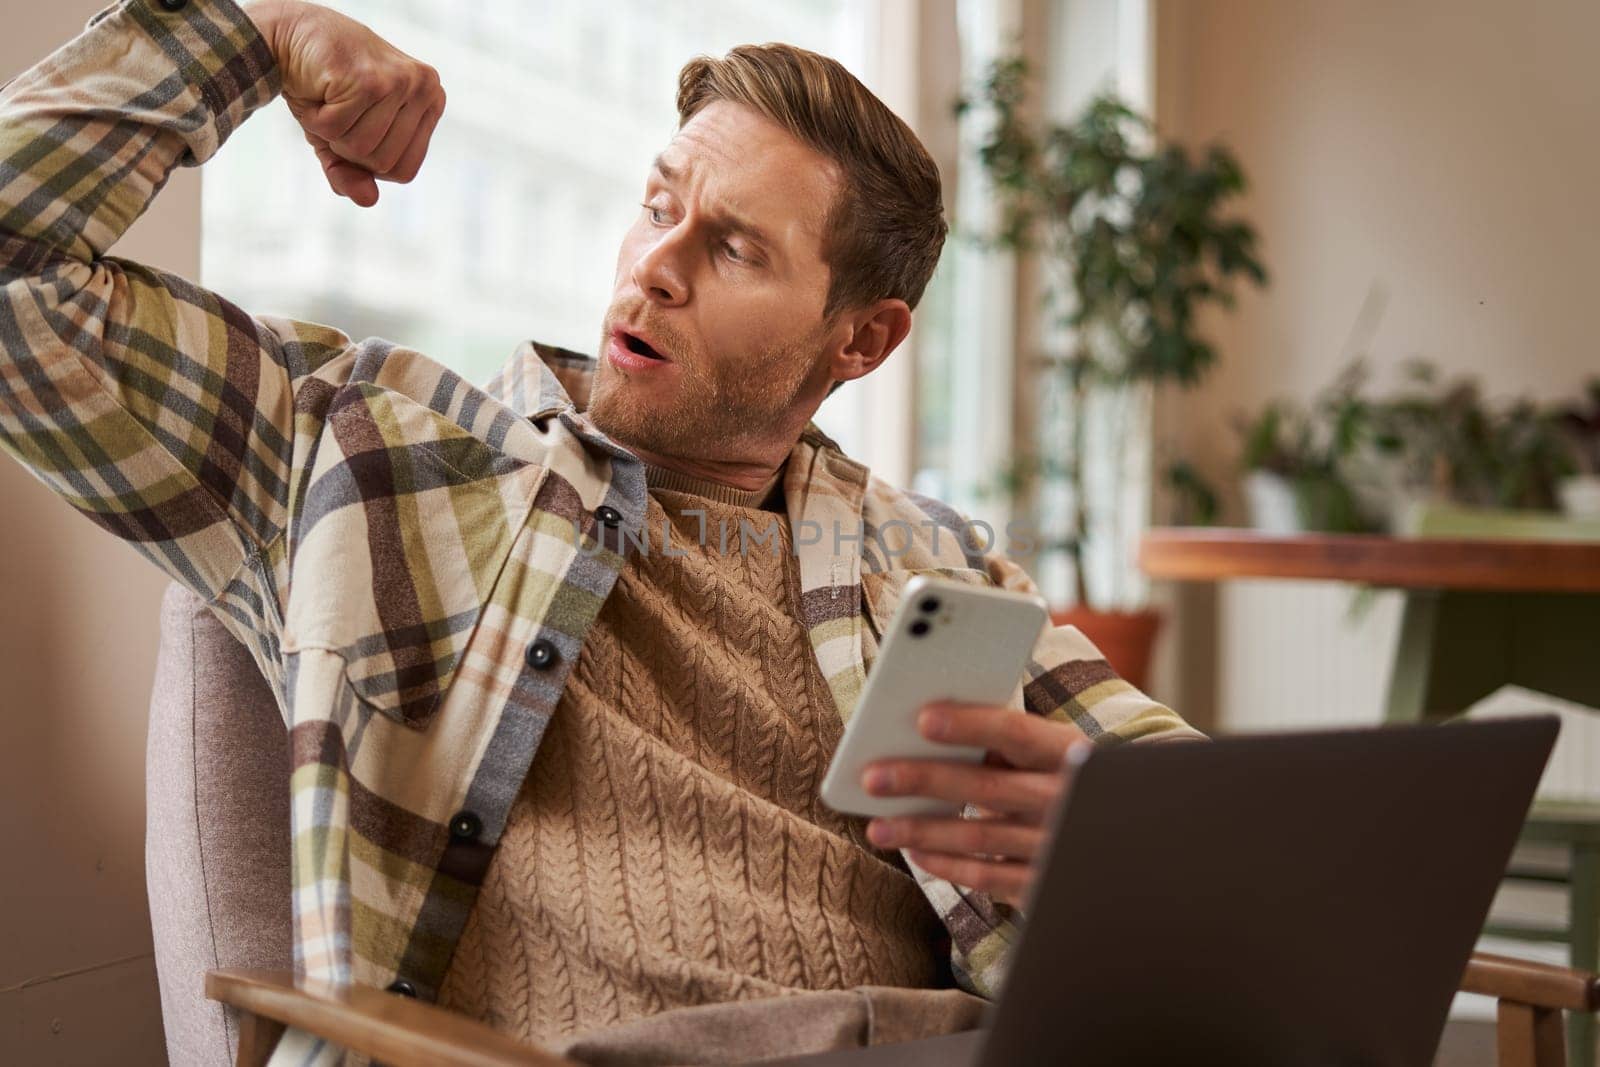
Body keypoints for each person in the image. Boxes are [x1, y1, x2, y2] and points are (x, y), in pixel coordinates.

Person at [0, 0, 1202, 1062]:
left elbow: (1239, 831)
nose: (655, 266)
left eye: (732, 246)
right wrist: (253, 37)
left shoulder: (930, 560)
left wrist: (1124, 835)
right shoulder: (374, 455)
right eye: (657, 206)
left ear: (862, 341)